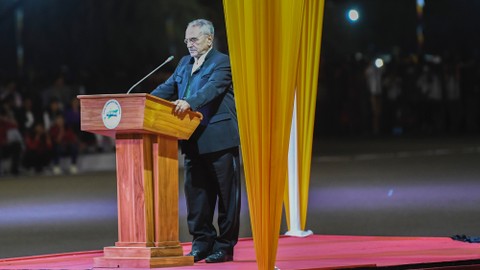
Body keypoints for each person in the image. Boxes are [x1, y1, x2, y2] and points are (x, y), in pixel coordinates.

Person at [150, 19, 241, 263]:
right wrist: (142, 102)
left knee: (226, 197)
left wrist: (190, 101)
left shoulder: (222, 62)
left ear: (209, 39)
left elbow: (211, 89)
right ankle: (202, 243)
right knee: (197, 198)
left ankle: (224, 246)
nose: (189, 45)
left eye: (194, 40)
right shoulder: (183, 63)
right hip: (192, 140)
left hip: (220, 140)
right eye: (186, 40)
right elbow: (166, 89)